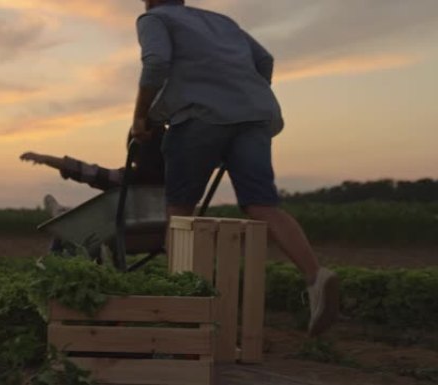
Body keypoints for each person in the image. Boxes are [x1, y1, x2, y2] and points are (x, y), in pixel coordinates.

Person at [131, 0, 339, 337]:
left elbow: (155, 63)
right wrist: (239, 96)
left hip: (199, 117)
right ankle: (316, 276)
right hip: (255, 114)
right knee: (262, 204)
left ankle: (183, 301)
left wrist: (140, 116)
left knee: (181, 209)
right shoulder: (221, 22)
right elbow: (264, 60)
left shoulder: (153, 18)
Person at [20, 125, 165, 215]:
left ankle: (62, 213)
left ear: (134, 154)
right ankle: (64, 211)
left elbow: (89, 172)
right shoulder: (179, 180)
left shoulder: (128, 179)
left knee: (74, 223)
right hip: (162, 236)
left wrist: (45, 159)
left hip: (125, 235)